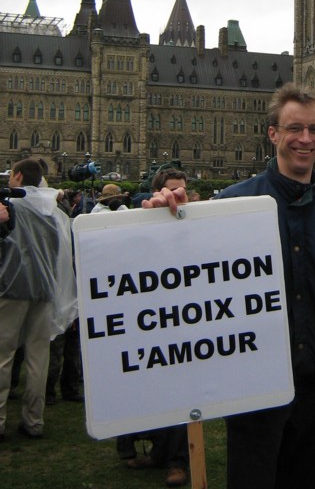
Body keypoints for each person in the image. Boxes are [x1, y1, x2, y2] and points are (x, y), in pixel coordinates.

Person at [147, 83, 315, 489]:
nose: (306, 139)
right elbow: (180, 280)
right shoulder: (232, 204)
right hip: (253, 391)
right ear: (273, 134)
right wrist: (161, 221)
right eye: (295, 128)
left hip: (314, 390)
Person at [0, 158, 77, 441]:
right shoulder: (52, 211)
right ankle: (34, 421)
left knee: (3, 356)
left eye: (11, 175)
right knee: (38, 359)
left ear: (18, 176)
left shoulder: (9, 207)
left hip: (12, 288)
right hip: (44, 290)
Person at [125, 168, 190, 487]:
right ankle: (158, 450)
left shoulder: (195, 223)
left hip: (187, 325)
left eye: (183, 191)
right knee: (155, 391)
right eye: (171, 191)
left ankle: (179, 461)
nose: (178, 197)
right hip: (154, 322)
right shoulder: (143, 222)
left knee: (183, 396)